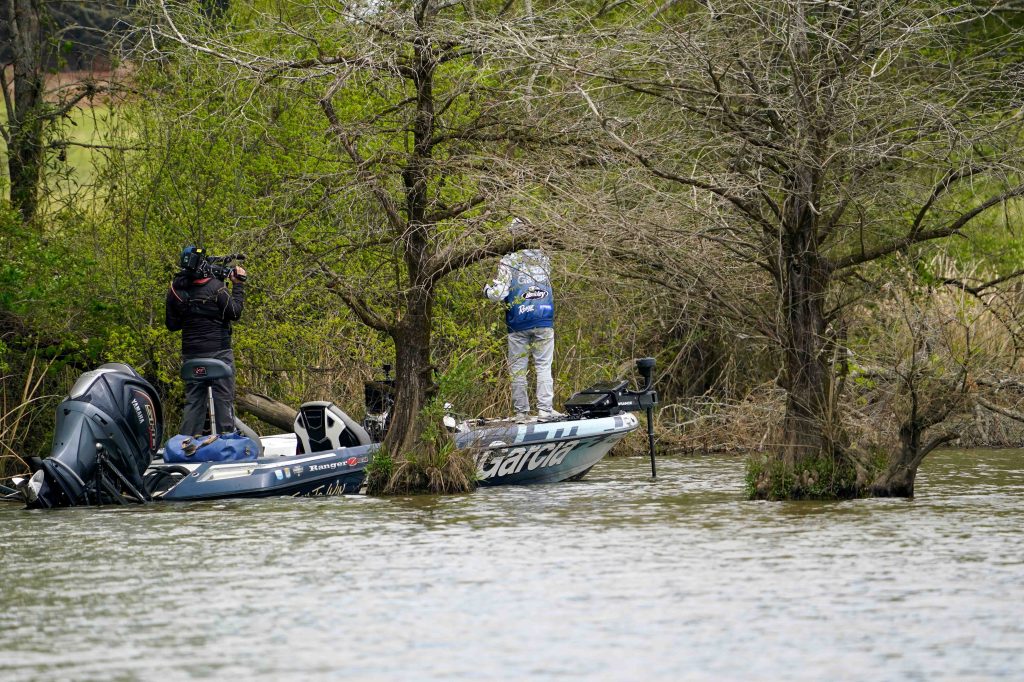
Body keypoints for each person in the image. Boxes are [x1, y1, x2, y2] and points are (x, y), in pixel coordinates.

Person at [484, 219, 564, 421]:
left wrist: (486, 290)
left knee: (518, 369)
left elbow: (499, 294)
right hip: (544, 318)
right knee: (543, 366)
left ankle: (521, 413)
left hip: (518, 321)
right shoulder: (544, 257)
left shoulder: (508, 260)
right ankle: (545, 410)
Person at [165, 245, 247, 435]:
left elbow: (172, 325)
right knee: (223, 399)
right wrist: (238, 285)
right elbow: (234, 312)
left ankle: (186, 443)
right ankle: (226, 440)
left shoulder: (175, 290)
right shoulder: (216, 288)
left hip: (191, 355)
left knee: (194, 401)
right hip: (218, 353)